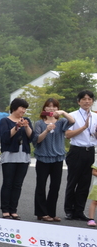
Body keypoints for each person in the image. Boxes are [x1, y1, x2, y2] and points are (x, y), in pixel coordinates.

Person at [33, 98, 74, 222]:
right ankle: (41, 213)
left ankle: (51, 213)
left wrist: (63, 112)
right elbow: (37, 140)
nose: (51, 108)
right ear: (44, 108)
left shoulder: (61, 122)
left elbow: (72, 121)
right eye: (49, 106)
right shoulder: (40, 123)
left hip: (57, 158)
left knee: (55, 186)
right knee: (41, 185)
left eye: (54, 106)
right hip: (43, 158)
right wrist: (46, 130)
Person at [0, 98, 34, 220]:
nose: (23, 111)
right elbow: (5, 138)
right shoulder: (5, 121)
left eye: (25, 108)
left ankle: (13, 210)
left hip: (23, 156)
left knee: (18, 184)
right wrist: (17, 127)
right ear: (14, 107)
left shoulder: (27, 120)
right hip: (9, 156)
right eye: (22, 108)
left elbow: (31, 138)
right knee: (8, 183)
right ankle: (5, 210)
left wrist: (27, 126)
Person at [64, 90, 97, 221]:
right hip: (76, 151)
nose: (87, 101)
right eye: (84, 99)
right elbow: (67, 135)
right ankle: (69, 210)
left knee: (85, 183)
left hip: (90, 151)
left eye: (89, 99)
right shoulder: (72, 116)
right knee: (73, 181)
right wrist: (84, 127)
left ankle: (79, 210)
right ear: (78, 101)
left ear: (93, 101)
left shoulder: (95, 116)